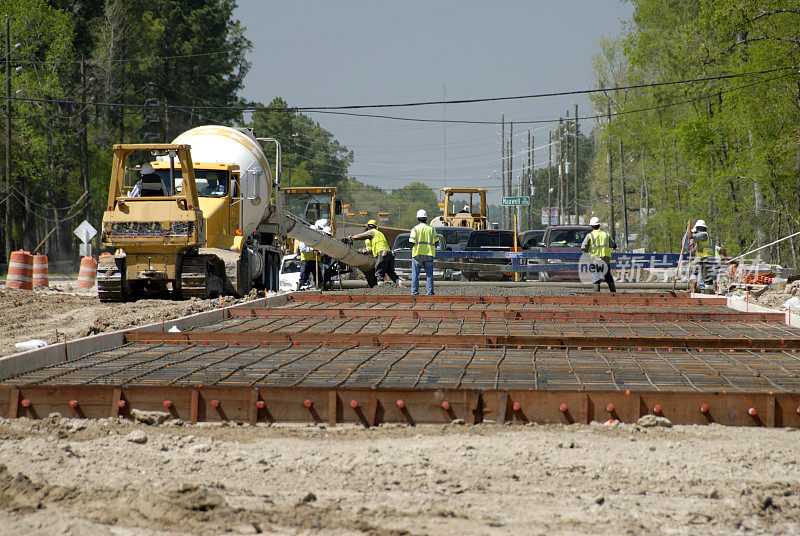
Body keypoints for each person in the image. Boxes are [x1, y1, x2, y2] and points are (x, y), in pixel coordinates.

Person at [348, 219, 400, 286]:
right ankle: (400, 283)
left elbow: (362, 236)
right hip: (389, 254)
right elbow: (371, 249)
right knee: (390, 272)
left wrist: (352, 237)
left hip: (382, 254)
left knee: (379, 272)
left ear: (368, 227)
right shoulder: (380, 233)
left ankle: (380, 287)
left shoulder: (372, 232)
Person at [581, 216, 617, 292]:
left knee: (595, 275)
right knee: (607, 275)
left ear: (591, 226)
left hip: (595, 259)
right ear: (599, 225)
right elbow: (613, 245)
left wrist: (587, 255)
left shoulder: (590, 236)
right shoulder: (606, 235)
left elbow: (583, 247)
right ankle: (613, 292)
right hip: (605, 258)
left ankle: (597, 293)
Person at [409, 209, 438, 295]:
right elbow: (436, 241)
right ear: (426, 218)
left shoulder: (415, 229)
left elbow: (412, 241)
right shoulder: (432, 229)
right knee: (429, 275)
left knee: (415, 275)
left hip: (417, 254)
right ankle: (430, 293)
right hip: (429, 254)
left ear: (418, 219)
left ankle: (414, 292)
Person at [690, 219, 715, 293]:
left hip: (706, 257)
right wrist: (694, 249)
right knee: (696, 273)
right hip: (701, 257)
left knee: (706, 275)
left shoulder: (703, 234)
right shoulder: (702, 236)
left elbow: (690, 236)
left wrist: (688, 227)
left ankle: (709, 290)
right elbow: (700, 248)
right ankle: (696, 288)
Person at [296, 225, 322, 290]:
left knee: (318, 276)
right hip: (305, 260)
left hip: (314, 260)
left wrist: (319, 252)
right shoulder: (304, 239)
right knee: (303, 276)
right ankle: (299, 287)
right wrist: (313, 250)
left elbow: (322, 249)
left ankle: (319, 287)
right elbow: (302, 249)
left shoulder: (317, 239)